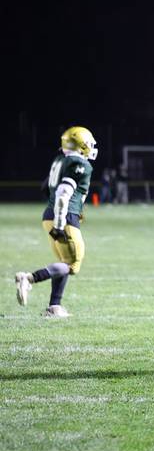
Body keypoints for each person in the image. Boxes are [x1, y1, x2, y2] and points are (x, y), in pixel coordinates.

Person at [14, 127, 98, 317]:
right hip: (63, 217)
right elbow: (62, 195)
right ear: (81, 144)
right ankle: (28, 278)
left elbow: (46, 187)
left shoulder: (60, 159)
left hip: (49, 216)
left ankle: (54, 306)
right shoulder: (80, 164)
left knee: (63, 262)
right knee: (72, 264)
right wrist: (61, 224)